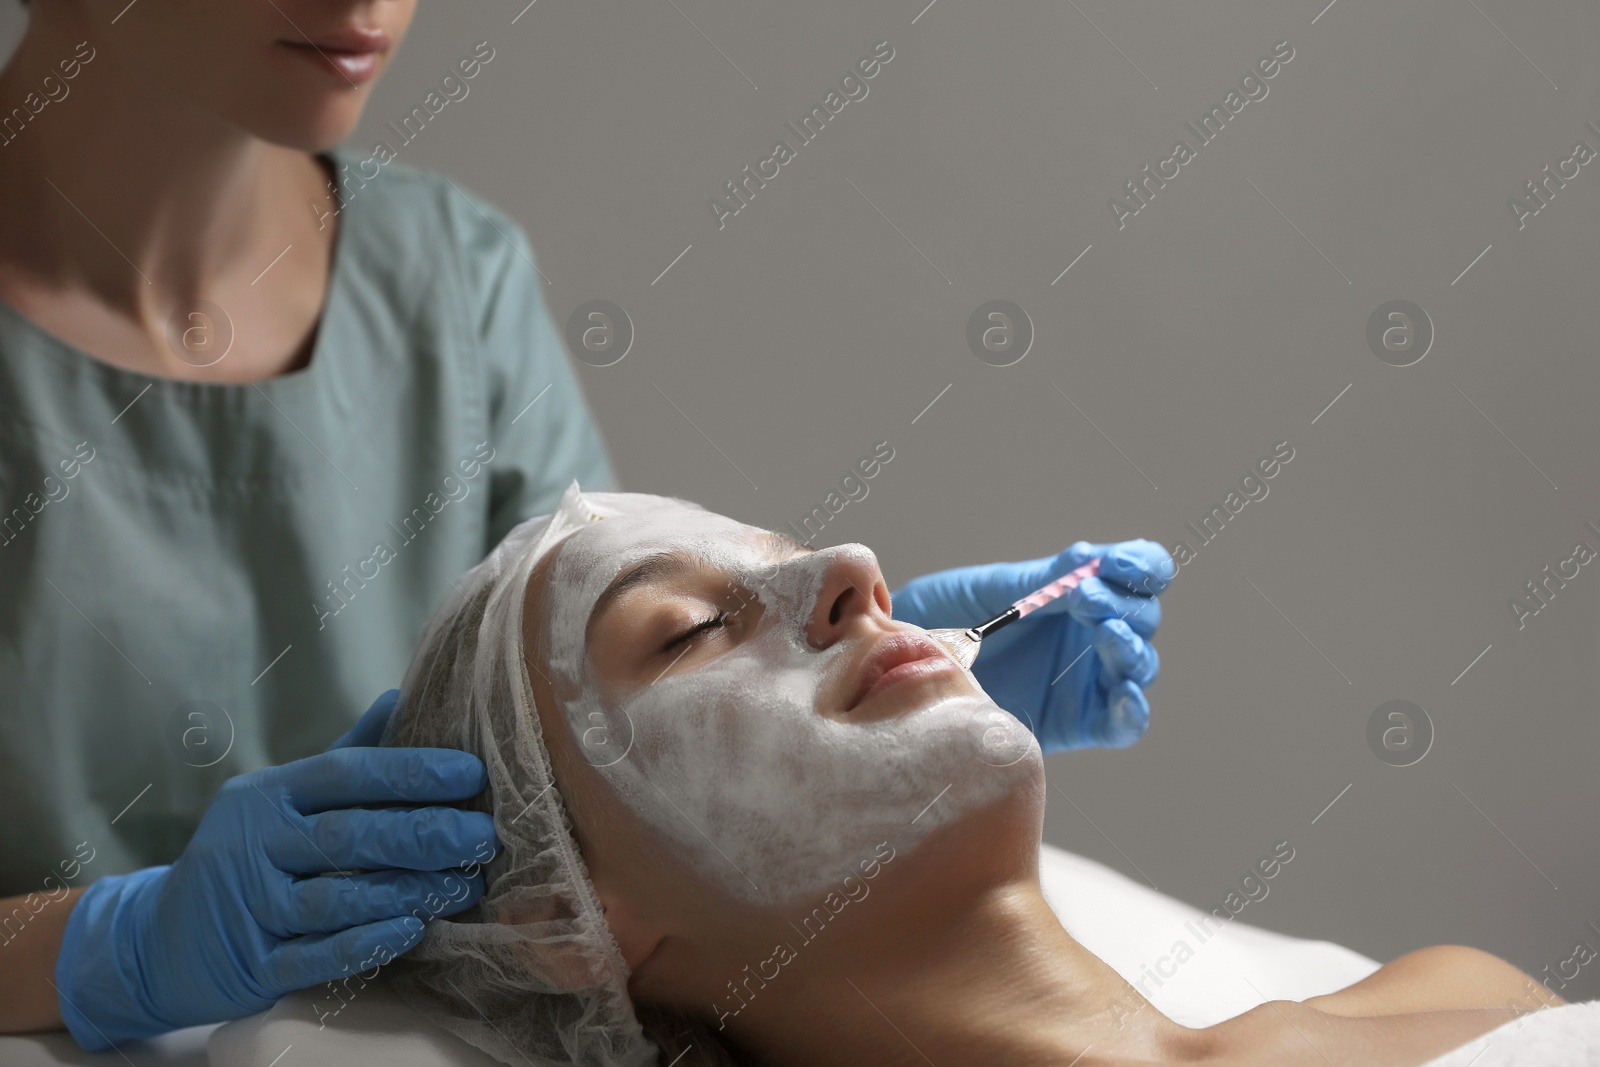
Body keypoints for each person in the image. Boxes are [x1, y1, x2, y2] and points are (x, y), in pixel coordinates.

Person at [0, 0, 1174, 1050]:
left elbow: (568, 743)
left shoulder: (446, 280)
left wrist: (871, 711)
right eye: (689, 631)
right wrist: (119, 941)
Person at [380, 484, 1567, 1067]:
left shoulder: (1452, 991)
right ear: (561, 925)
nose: (858, 569)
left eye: (799, 558)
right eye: (691, 629)